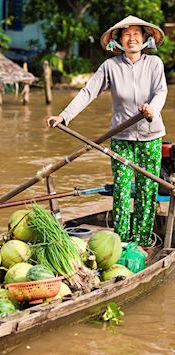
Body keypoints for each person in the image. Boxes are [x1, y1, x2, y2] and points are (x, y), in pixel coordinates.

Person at [47, 15, 168, 247]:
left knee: (147, 190)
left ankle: (142, 242)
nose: (131, 38)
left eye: (136, 34)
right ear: (119, 40)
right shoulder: (110, 67)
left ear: (144, 38)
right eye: (126, 34)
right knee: (122, 191)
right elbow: (88, 92)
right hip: (121, 138)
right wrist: (64, 116)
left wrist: (152, 109)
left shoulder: (154, 64)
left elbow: (160, 92)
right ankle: (121, 242)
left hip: (150, 137)